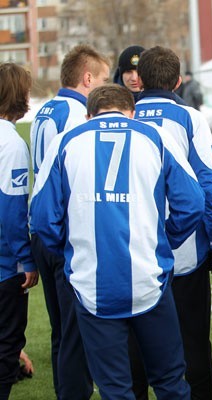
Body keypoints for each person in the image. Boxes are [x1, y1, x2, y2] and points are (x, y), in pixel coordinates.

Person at [29, 84, 205, 399]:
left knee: (114, 389)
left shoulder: (66, 142)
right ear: (132, 112)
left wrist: (72, 250)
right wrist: (164, 239)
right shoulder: (154, 137)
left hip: (93, 283)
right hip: (149, 277)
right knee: (170, 382)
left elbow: (42, 218)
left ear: (88, 115)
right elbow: (192, 203)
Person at [135, 46, 212, 400]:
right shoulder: (190, 117)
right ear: (178, 80)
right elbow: (208, 185)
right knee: (192, 340)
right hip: (184, 247)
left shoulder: (126, 113)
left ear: (139, 79)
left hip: (136, 247)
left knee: (137, 342)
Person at [29, 44, 110, 400]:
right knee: (76, 332)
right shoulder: (78, 113)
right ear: (88, 78)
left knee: (61, 330)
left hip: (41, 230)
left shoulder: (47, 108)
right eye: (104, 80)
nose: (106, 88)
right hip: (63, 231)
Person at [0, 62, 38, 400]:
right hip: (3, 268)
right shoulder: (11, 144)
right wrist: (26, 260)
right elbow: (12, 211)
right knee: (6, 348)